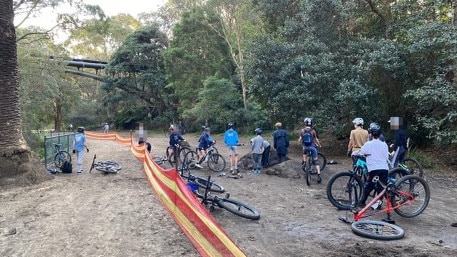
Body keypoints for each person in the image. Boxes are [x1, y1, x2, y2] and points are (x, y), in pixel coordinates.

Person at [356, 122, 389, 207]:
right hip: (384, 168)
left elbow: (361, 152)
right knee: (381, 188)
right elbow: (386, 157)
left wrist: (355, 153)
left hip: (374, 169)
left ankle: (362, 202)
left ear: (370, 134)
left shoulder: (368, 144)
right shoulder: (384, 144)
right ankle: (378, 205)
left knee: (369, 186)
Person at [298, 118, 322, 183]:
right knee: (316, 162)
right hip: (312, 147)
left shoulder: (302, 131)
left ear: (305, 123)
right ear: (311, 123)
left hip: (305, 147)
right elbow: (316, 139)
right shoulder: (313, 131)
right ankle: (319, 176)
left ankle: (305, 162)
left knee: (304, 152)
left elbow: (299, 140)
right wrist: (319, 144)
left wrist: (302, 144)